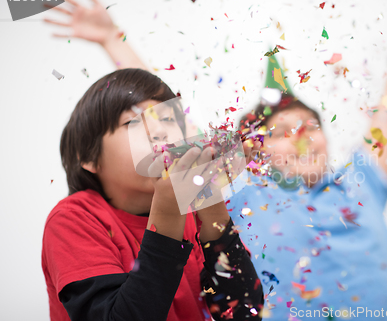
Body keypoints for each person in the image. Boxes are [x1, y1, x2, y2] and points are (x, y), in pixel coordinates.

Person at [230, 0, 387, 319]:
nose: (302, 139)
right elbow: (170, 136)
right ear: (252, 154)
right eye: (280, 133)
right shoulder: (241, 202)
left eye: (310, 126)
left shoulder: (359, 184)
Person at [41, 68, 264, 321]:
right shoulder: (73, 220)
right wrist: (167, 212)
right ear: (89, 157)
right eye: (131, 122)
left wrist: (210, 199)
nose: (159, 132)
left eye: (168, 119)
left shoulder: (193, 210)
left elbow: (245, 313)